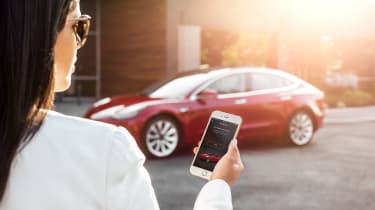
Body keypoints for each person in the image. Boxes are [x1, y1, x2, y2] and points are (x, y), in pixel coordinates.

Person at [0, 0, 244, 210]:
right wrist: (218, 186)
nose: (79, 42)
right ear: (38, 34)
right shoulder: (105, 150)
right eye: (79, 26)